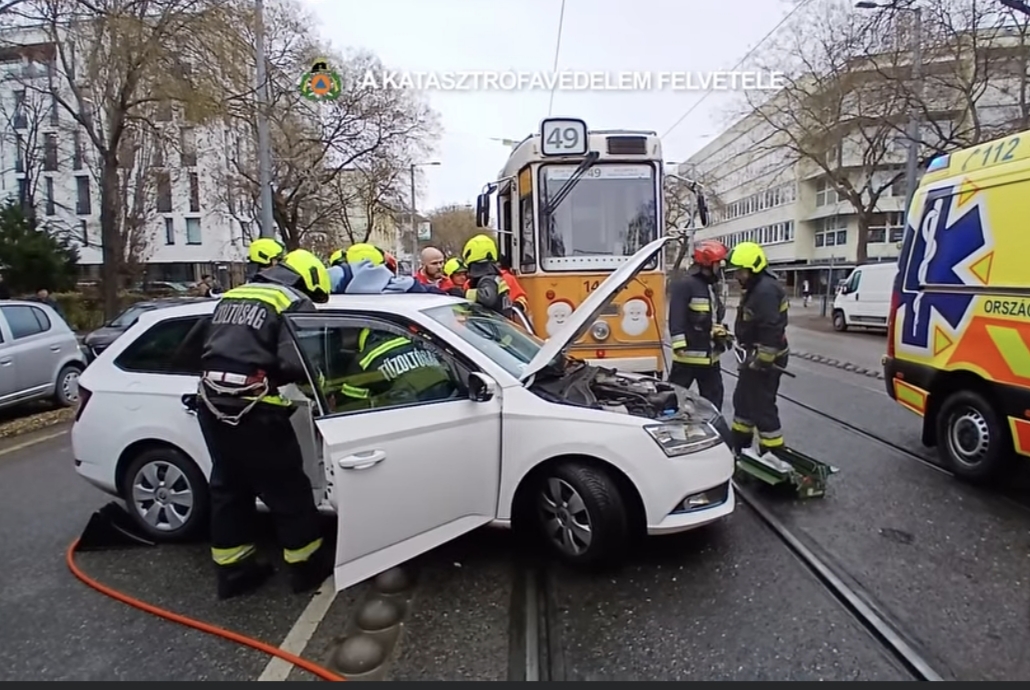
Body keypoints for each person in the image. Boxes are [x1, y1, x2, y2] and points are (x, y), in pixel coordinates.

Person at [195, 248, 334, 599]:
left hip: (210, 404)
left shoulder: (234, 294)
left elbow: (195, 346)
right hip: (255, 409)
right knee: (288, 490)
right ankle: (307, 569)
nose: (311, 301)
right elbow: (294, 363)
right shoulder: (291, 300)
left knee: (229, 488)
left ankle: (233, 572)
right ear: (309, 280)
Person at [726, 241, 790, 456]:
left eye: (740, 271)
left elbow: (771, 328)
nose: (737, 276)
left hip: (765, 361)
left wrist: (763, 359)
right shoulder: (756, 288)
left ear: (753, 268)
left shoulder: (765, 291)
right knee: (743, 401)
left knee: (762, 406)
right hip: (752, 358)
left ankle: (773, 454)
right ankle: (740, 446)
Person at [667, 239, 728, 410]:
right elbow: (676, 317)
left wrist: (721, 332)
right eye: (718, 264)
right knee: (673, 398)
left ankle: (712, 431)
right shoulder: (686, 285)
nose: (720, 268)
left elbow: (713, 317)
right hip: (687, 358)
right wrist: (679, 345)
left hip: (710, 359)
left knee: (714, 401)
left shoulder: (711, 287)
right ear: (707, 264)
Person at [328, 244, 446, 295]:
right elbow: (408, 285)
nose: (440, 267)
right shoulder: (398, 287)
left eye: (441, 262)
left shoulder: (326, 284)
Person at [461, 234, 515, 319]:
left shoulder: (487, 279)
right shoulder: (495, 277)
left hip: (493, 328)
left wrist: (463, 294)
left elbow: (488, 298)